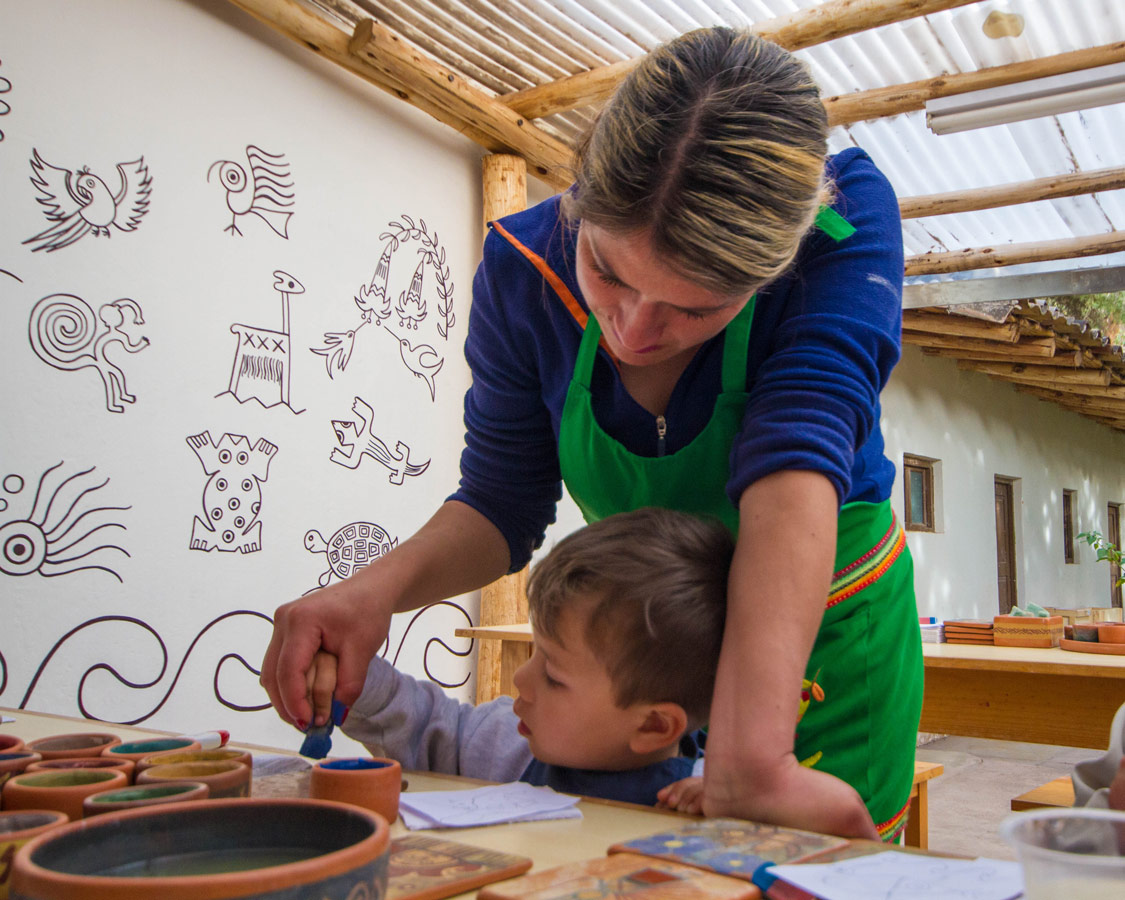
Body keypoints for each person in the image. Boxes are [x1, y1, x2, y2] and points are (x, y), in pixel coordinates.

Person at [262, 26, 921, 841]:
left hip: (820, 629)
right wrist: (370, 594)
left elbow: (798, 449)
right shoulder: (521, 270)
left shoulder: (843, 217)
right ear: (576, 198)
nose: (634, 332)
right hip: (637, 646)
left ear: (773, 269)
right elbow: (501, 501)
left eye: (697, 307)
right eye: (607, 272)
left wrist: (752, 757)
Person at [309, 508, 731, 808]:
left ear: (653, 725)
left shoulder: (710, 801)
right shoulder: (510, 745)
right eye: (535, 653)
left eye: (553, 675)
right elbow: (430, 727)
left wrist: (736, 814)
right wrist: (357, 680)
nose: (521, 680)